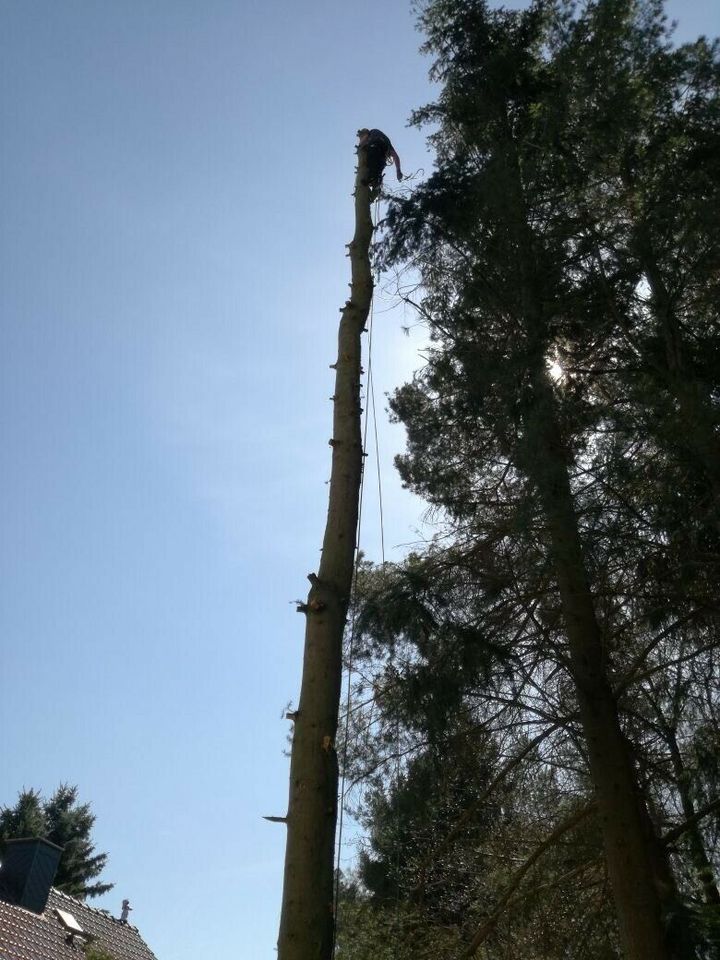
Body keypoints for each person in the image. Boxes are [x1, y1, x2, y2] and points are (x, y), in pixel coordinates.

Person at [357, 128, 403, 193]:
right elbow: (395, 156)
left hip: (375, 148)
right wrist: (398, 171)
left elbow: (364, 138)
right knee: (379, 167)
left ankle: (372, 179)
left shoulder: (372, 133)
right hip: (381, 154)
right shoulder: (387, 143)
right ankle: (375, 181)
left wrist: (360, 146)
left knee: (371, 160)